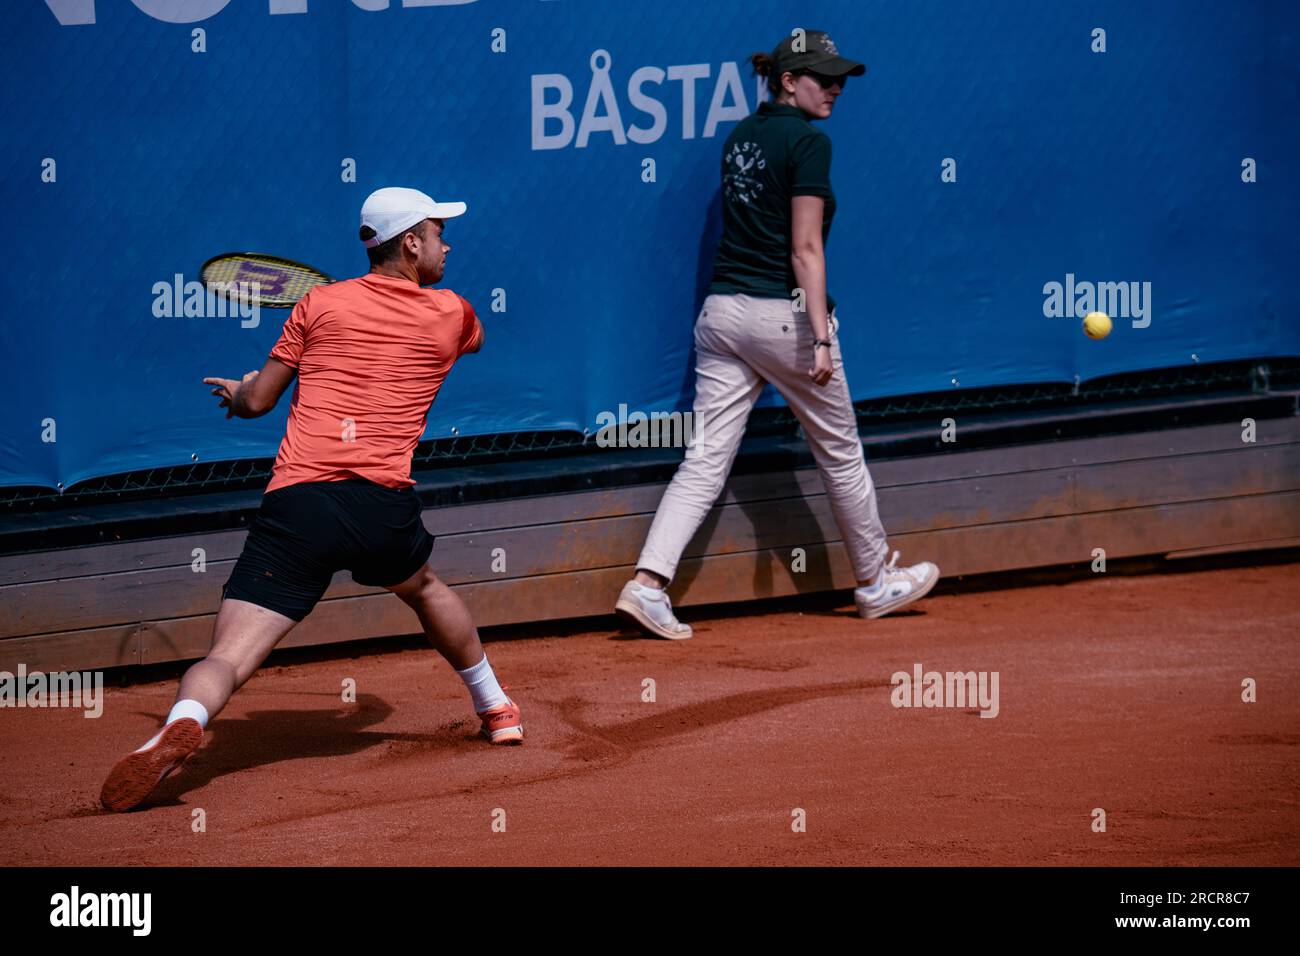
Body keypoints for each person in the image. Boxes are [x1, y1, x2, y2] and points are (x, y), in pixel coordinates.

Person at [100, 187, 522, 813]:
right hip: (381, 506)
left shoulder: (317, 304)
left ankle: (182, 721)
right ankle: (496, 708)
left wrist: (242, 389)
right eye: (437, 232)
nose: (446, 243)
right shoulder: (454, 314)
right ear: (410, 242)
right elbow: (471, 341)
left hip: (300, 503)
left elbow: (258, 402)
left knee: (228, 657)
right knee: (425, 588)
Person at [614, 31, 940, 640]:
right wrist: (819, 338)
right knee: (840, 452)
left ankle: (647, 585)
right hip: (781, 319)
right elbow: (805, 248)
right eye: (824, 78)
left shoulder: (741, 136)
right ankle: (874, 581)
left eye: (841, 79)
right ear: (789, 81)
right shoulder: (809, 143)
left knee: (705, 458)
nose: (836, 89)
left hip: (721, 317)